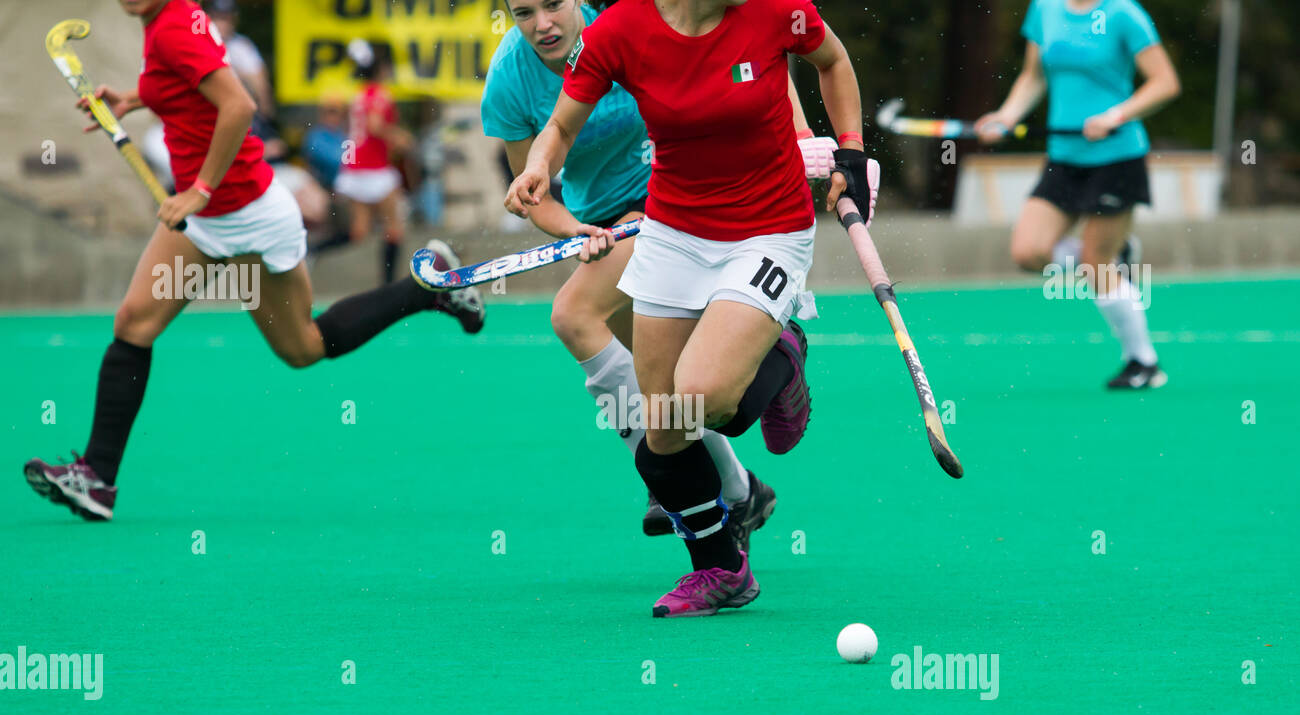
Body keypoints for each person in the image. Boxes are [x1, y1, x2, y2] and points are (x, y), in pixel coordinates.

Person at [24, 0, 483, 522]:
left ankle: (427, 288)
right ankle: (98, 479)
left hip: (247, 214)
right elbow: (188, 91)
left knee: (303, 347)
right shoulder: (165, 20)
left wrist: (199, 189)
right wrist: (131, 99)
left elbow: (238, 106)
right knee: (134, 323)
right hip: (207, 218)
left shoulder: (174, 25)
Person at [506, 0, 873, 616]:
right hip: (673, 231)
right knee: (668, 428)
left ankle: (785, 354)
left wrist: (852, 152)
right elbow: (563, 125)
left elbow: (832, 61)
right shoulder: (620, 30)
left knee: (709, 399)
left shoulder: (776, 11)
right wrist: (539, 165)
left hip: (769, 227)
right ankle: (722, 571)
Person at [481, 0, 779, 547]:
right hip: (603, 221)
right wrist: (575, 231)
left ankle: (660, 467)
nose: (542, 23)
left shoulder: (630, 30)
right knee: (661, 383)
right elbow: (536, 187)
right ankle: (740, 492)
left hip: (678, 198)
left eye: (553, 4)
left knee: (573, 315)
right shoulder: (508, 80)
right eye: (524, 12)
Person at [974, 0, 1180, 389]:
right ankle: (1114, 255)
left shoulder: (1123, 14)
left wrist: (1116, 115)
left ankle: (1144, 362)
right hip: (1065, 157)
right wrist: (1007, 116)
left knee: (1096, 266)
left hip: (1117, 156)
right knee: (1028, 251)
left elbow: (1165, 82)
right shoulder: (1045, 9)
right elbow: (1033, 76)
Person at [335, 39, 413, 284]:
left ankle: (312, 252)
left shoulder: (359, 95)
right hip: (376, 170)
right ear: (381, 69)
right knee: (394, 228)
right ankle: (388, 285)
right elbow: (376, 126)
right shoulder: (380, 94)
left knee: (359, 231)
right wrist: (400, 137)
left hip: (353, 167)